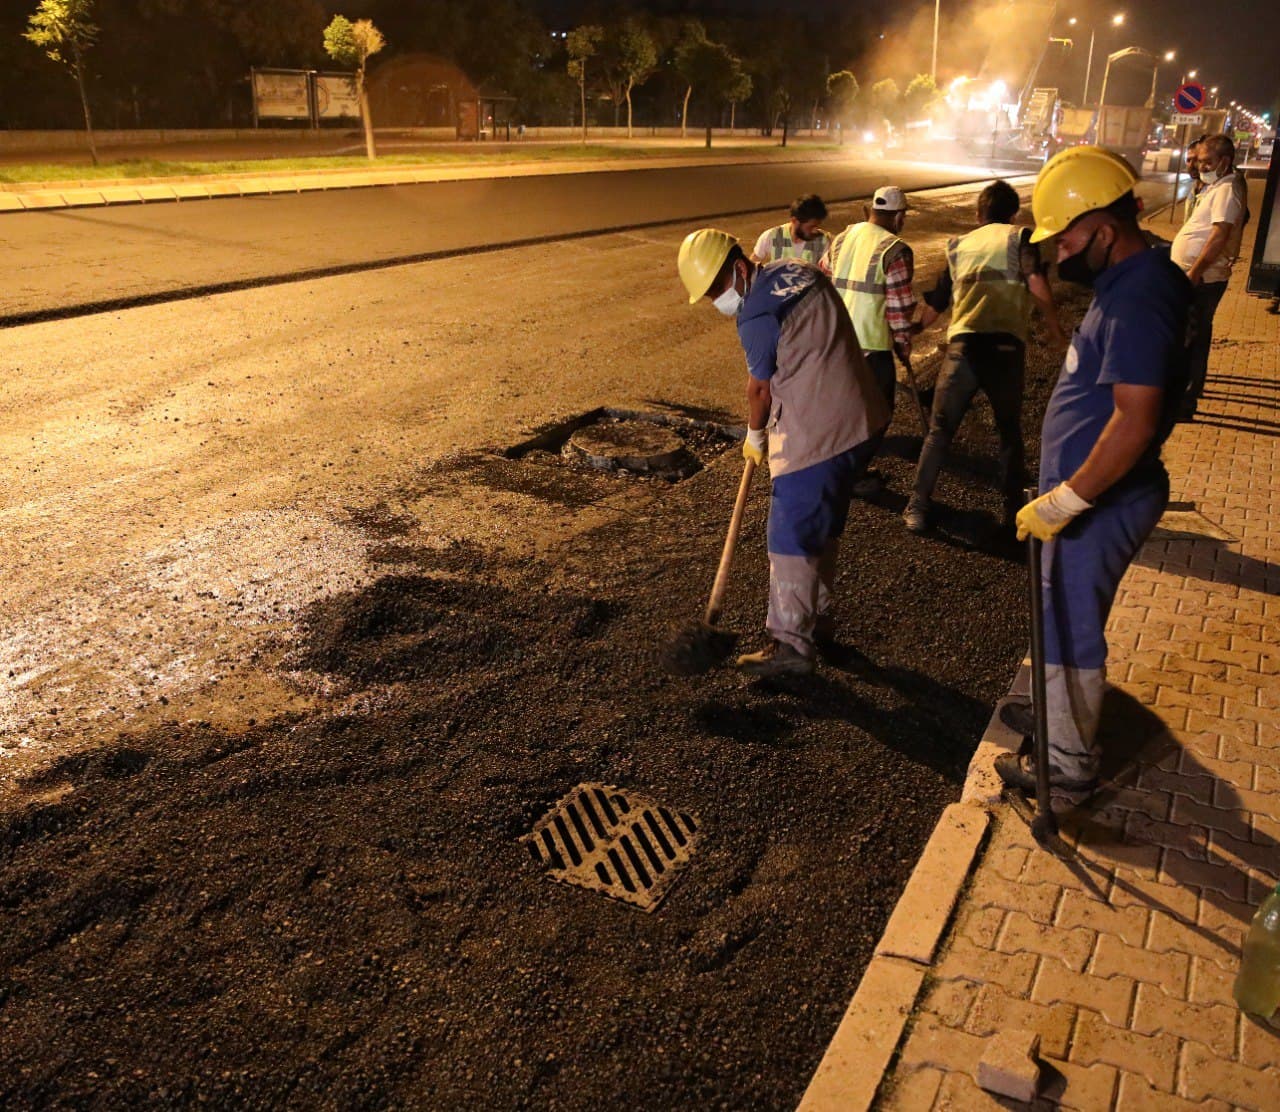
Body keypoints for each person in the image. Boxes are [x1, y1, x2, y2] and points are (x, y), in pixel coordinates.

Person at [994, 146, 1191, 802]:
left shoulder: (1139, 299)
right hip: (1088, 494)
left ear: (1105, 230)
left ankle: (1067, 764)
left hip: (1101, 499)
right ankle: (1053, 720)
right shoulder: (1130, 282)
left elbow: (1134, 421)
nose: (1060, 254)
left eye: (1069, 239)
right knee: (1055, 611)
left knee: (1072, 620)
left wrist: (1066, 500)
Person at [676, 229, 890, 677]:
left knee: (790, 535)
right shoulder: (801, 271)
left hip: (819, 432)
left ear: (739, 268)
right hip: (861, 420)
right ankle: (818, 623)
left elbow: (759, 388)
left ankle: (792, 645)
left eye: (717, 288)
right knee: (823, 527)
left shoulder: (755, 313)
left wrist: (755, 436)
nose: (717, 299)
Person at [902, 180, 1067, 534]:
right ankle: (1013, 513)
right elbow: (1036, 280)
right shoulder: (1020, 237)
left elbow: (939, 300)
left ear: (979, 214)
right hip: (1006, 350)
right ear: (1013, 213)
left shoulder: (959, 245)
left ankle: (916, 507)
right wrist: (1054, 328)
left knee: (940, 431)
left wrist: (916, 330)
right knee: (1008, 431)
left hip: (963, 349)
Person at [820, 186, 916, 426]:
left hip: (837, 340)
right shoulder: (895, 250)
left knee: (840, 410)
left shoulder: (842, 238)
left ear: (870, 211)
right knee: (877, 414)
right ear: (899, 216)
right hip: (872, 349)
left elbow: (823, 274)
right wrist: (903, 343)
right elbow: (899, 308)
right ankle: (860, 460)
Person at [1172, 133, 1246, 419]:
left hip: (1204, 280)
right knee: (1190, 336)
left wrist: (1195, 270)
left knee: (1193, 339)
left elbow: (1219, 235)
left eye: (1206, 162)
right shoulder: (1218, 185)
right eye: (1199, 161)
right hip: (1199, 277)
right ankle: (1183, 398)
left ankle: (1185, 404)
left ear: (1224, 161)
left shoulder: (1227, 189)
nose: (1201, 167)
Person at [752, 195, 832, 266]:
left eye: (817, 226)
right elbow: (753, 264)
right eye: (811, 227)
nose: (815, 231)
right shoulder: (771, 236)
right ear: (794, 221)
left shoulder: (824, 241)